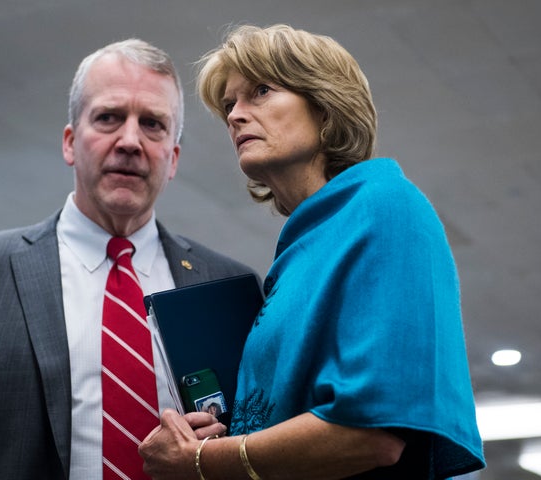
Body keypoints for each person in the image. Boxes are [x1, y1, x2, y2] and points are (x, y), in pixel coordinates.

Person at [0, 39, 253, 480]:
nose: (129, 141)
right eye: (108, 118)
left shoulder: (227, 288)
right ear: (69, 142)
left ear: (173, 158)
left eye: (154, 125)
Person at [139, 24, 485, 479]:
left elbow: (371, 431)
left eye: (260, 91)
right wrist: (220, 433)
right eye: (229, 104)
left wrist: (201, 462)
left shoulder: (384, 205)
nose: (236, 116)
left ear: (325, 105)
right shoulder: (302, 248)